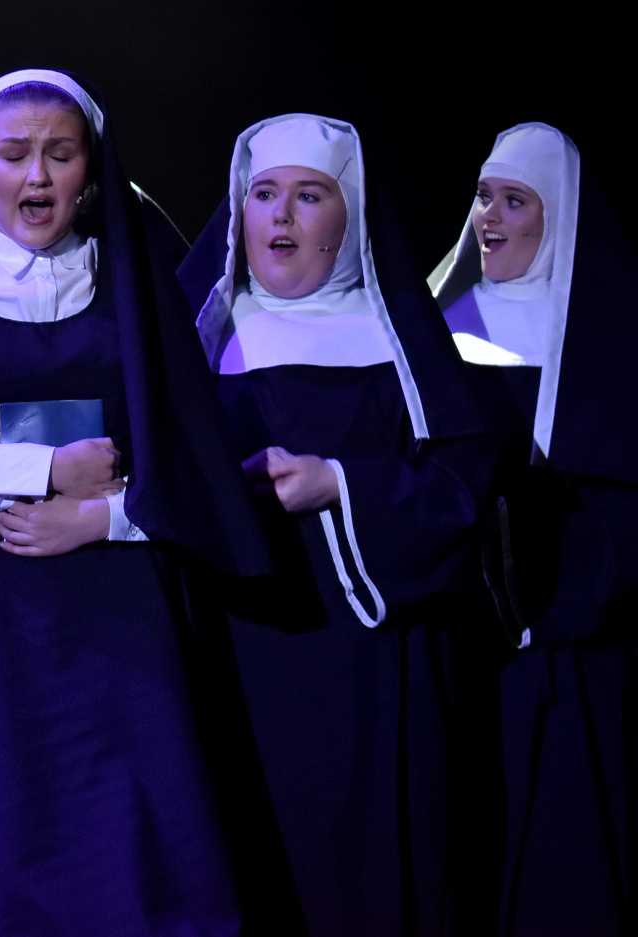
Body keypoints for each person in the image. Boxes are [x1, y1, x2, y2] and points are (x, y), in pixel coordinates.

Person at [0, 70, 295, 937]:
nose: (36, 176)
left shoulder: (137, 287)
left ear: (91, 169)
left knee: (129, 856)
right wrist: (43, 469)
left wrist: (101, 516)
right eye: (14, 154)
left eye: (60, 153)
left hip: (122, 617)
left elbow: (193, 464)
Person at [176, 114, 500, 937]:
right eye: (263, 194)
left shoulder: (400, 345)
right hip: (236, 653)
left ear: (348, 219)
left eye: (310, 195)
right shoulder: (198, 343)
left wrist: (339, 484)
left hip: (375, 661)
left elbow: (462, 489)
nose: (281, 215)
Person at [431, 122, 638, 936]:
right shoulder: (434, 329)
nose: (489, 217)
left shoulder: (603, 341)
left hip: (558, 646)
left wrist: (536, 577)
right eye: (484, 196)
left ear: (560, 216)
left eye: (515, 201)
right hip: (450, 643)